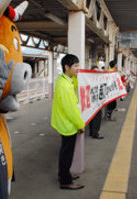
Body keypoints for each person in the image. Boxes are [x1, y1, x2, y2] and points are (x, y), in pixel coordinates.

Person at [51, 54, 85, 190]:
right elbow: (71, 109)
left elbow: (75, 85)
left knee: (64, 152)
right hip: (67, 124)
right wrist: (80, 124)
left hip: (63, 122)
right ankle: (65, 181)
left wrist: (76, 76)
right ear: (67, 67)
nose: (78, 68)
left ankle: (63, 174)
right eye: (76, 66)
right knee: (67, 154)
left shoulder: (63, 80)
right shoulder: (65, 86)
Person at [89, 66, 104, 139]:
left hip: (95, 101)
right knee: (96, 118)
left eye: (97, 71)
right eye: (94, 71)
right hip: (94, 102)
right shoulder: (92, 80)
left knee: (93, 117)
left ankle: (92, 132)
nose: (96, 72)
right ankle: (95, 133)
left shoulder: (91, 79)